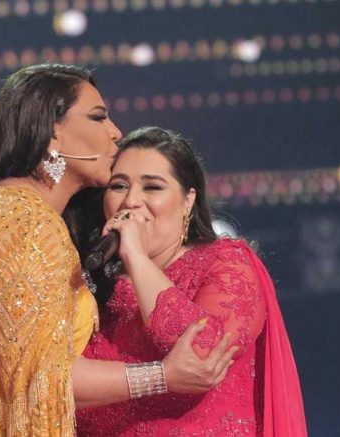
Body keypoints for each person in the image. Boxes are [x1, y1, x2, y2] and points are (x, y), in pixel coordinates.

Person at [0, 65, 237, 436]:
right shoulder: (30, 226)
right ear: (53, 132)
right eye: (98, 117)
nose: (115, 132)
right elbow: (40, 381)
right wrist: (161, 376)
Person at [74, 127, 308, 436]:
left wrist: (136, 258)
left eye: (152, 187)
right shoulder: (92, 286)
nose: (131, 201)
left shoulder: (226, 262)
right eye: (119, 186)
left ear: (188, 200)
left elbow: (203, 353)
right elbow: (49, 383)